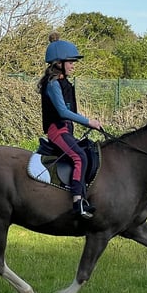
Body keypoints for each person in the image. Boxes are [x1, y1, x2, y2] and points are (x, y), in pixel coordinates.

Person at [38, 33, 102, 219]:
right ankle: (77, 203)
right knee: (79, 156)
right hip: (57, 131)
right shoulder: (52, 84)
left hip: (66, 130)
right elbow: (63, 113)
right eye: (71, 62)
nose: (74, 65)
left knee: (89, 151)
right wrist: (89, 121)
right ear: (59, 63)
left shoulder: (64, 83)